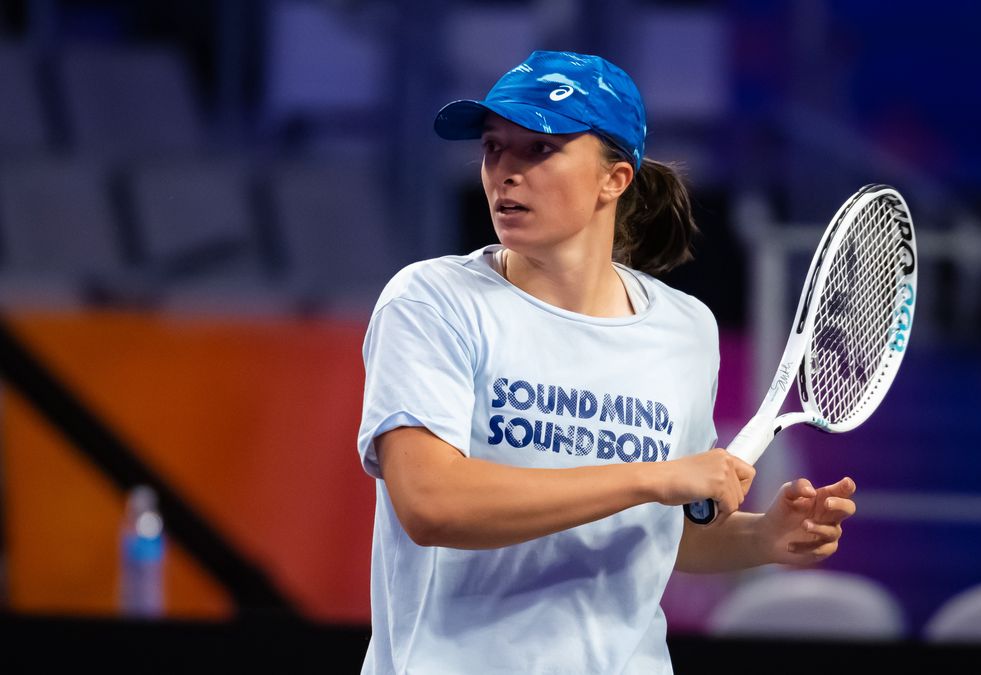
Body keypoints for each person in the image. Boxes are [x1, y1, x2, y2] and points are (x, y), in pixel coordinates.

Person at [357, 50, 857, 674]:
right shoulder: (432, 300)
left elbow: (661, 534)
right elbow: (432, 504)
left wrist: (761, 538)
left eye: (538, 149)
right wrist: (652, 476)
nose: (504, 173)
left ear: (614, 179)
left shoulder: (686, 328)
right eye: (493, 147)